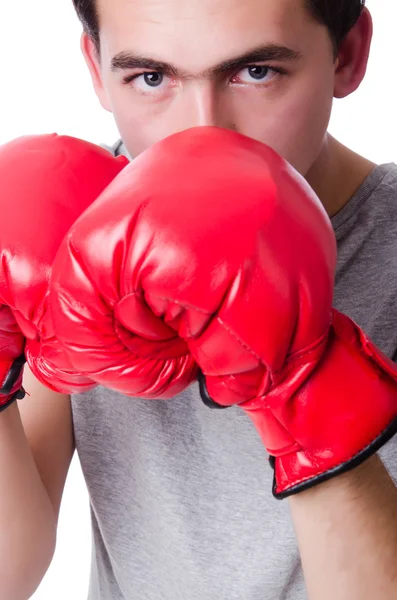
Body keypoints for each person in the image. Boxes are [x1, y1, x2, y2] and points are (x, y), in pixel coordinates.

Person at [1, 1, 397, 599]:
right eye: (152, 78)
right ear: (95, 66)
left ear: (347, 54)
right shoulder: (81, 231)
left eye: (256, 72)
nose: (203, 132)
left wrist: (305, 382)